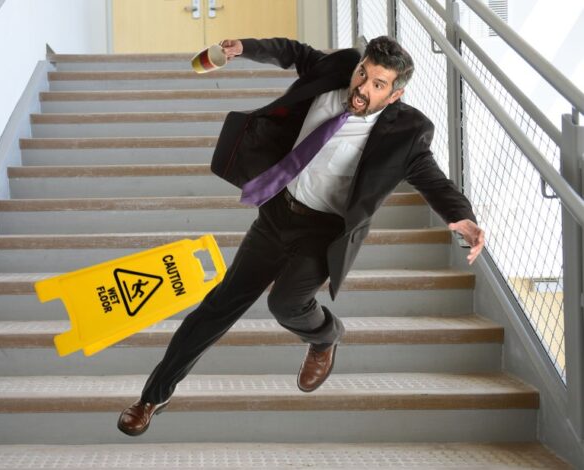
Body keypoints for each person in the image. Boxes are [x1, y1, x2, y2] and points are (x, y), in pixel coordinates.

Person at [117, 36, 485, 436]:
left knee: (285, 304)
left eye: (378, 84)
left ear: (395, 95)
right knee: (217, 307)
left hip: (321, 232)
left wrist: (461, 217)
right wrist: (245, 48)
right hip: (277, 214)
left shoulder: (408, 132)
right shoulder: (337, 70)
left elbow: (432, 178)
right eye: (363, 73)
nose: (362, 88)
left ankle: (326, 336)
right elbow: (293, 52)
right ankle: (151, 397)